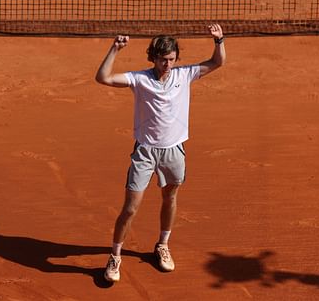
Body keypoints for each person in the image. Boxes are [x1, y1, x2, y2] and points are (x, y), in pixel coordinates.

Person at [95, 24, 226, 282]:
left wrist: (219, 41)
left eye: (171, 59)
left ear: (176, 58)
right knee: (131, 208)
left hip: (174, 150)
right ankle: (115, 256)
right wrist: (115, 49)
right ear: (152, 58)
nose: (167, 64)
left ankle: (162, 245)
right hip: (145, 152)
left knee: (170, 198)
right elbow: (103, 78)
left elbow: (217, 62)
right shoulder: (140, 79)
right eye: (162, 59)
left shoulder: (185, 75)